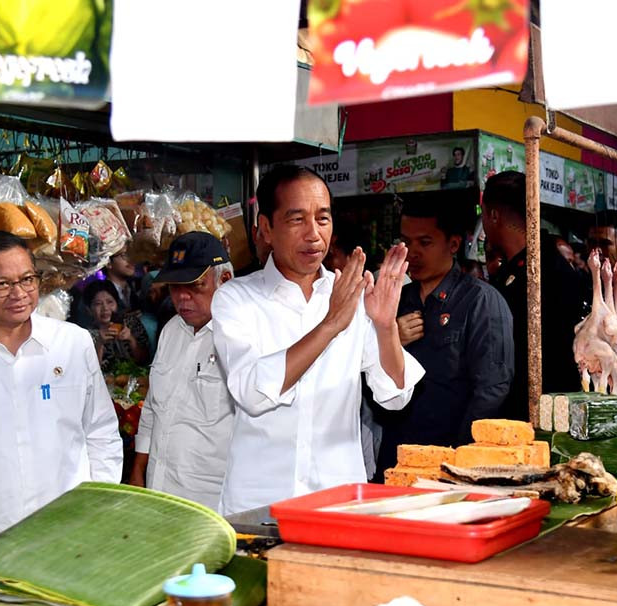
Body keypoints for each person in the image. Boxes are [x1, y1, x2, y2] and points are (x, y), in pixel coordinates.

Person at [210, 165, 424, 514]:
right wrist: (329, 325)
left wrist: (385, 326)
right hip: (259, 503)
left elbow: (396, 396)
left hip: (337, 502)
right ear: (266, 228)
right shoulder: (236, 299)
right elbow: (251, 392)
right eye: (297, 220)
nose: (313, 234)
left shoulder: (352, 294)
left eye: (322, 219)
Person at [0, 232, 122, 572]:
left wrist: (98, 513)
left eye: (27, 279)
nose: (19, 293)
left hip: (69, 542)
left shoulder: (72, 344)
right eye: (2, 284)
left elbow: (101, 433)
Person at [375, 198, 514, 478]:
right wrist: (388, 338)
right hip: (397, 458)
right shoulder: (393, 302)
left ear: (453, 244)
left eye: (424, 243)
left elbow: (492, 388)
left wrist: (459, 456)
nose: (412, 253)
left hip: (450, 460)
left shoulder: (480, 301)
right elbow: (368, 382)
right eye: (406, 242)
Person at [131, 232, 235, 510]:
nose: (182, 297)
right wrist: (139, 469)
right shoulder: (171, 330)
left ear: (224, 280)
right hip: (160, 490)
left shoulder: (241, 336)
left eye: (194, 285)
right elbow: (153, 406)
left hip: (211, 501)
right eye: (175, 286)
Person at [482, 171, 587, 419]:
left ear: (493, 215)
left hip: (546, 412)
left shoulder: (544, 267)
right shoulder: (517, 267)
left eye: (483, 214)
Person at [84, 280, 151, 371]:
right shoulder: (85, 335)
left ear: (117, 303)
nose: (105, 308)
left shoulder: (131, 322)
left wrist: (131, 339)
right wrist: (99, 343)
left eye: (110, 302)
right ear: (89, 310)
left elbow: (145, 360)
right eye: (98, 304)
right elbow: (90, 371)